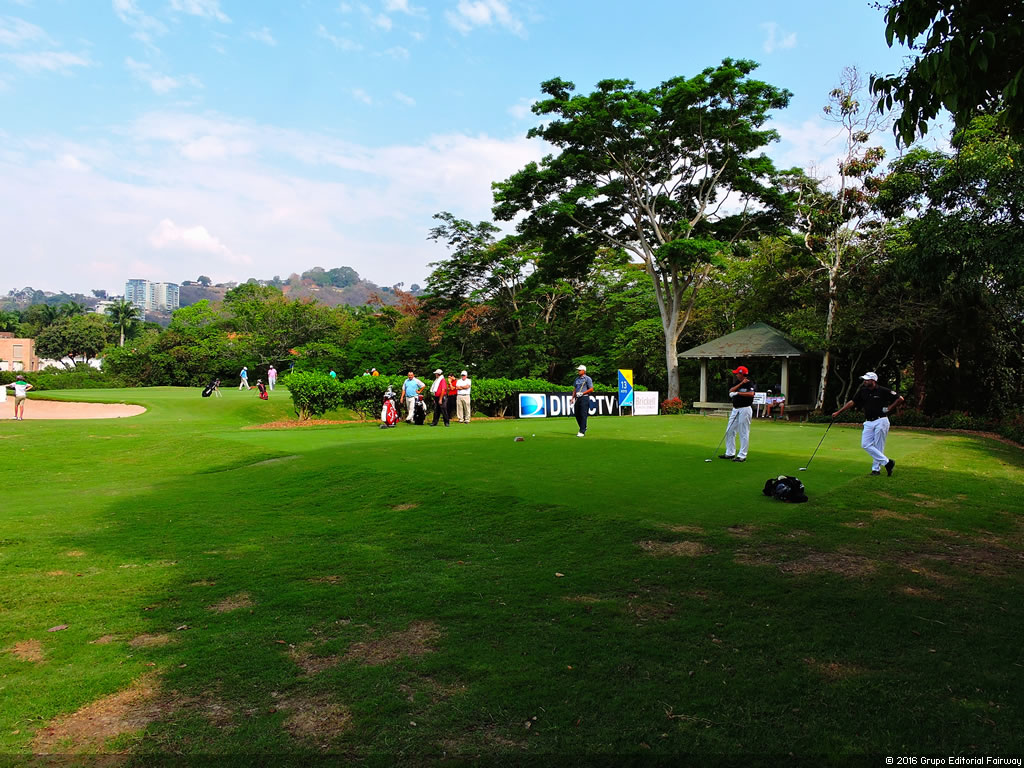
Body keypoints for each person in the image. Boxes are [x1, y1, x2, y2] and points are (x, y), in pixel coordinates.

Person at [832, 372, 905, 476]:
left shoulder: (883, 390)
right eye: (864, 380)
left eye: (867, 380)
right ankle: (888, 463)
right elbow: (852, 402)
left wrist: (890, 408)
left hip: (881, 420)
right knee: (865, 444)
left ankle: (876, 469)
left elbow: (900, 398)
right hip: (868, 422)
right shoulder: (863, 391)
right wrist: (838, 412)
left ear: (873, 381)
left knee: (879, 445)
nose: (865, 381)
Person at [720, 366, 756, 462]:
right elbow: (731, 390)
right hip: (735, 409)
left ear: (742, 374)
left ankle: (742, 455)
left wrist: (738, 394)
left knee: (743, 432)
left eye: (737, 373)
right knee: (729, 430)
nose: (736, 375)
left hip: (745, 409)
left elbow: (751, 394)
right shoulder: (738, 383)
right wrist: (740, 384)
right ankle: (730, 453)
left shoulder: (749, 383)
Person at [569, 364, 594, 437]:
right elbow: (575, 389)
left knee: (583, 414)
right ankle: (583, 426)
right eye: (578, 370)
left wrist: (582, 393)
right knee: (577, 414)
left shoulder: (587, 379)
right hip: (578, 398)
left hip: (584, 398)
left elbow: (591, 389)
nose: (578, 371)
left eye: (580, 370)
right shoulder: (577, 379)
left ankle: (582, 431)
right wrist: (572, 398)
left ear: (584, 371)